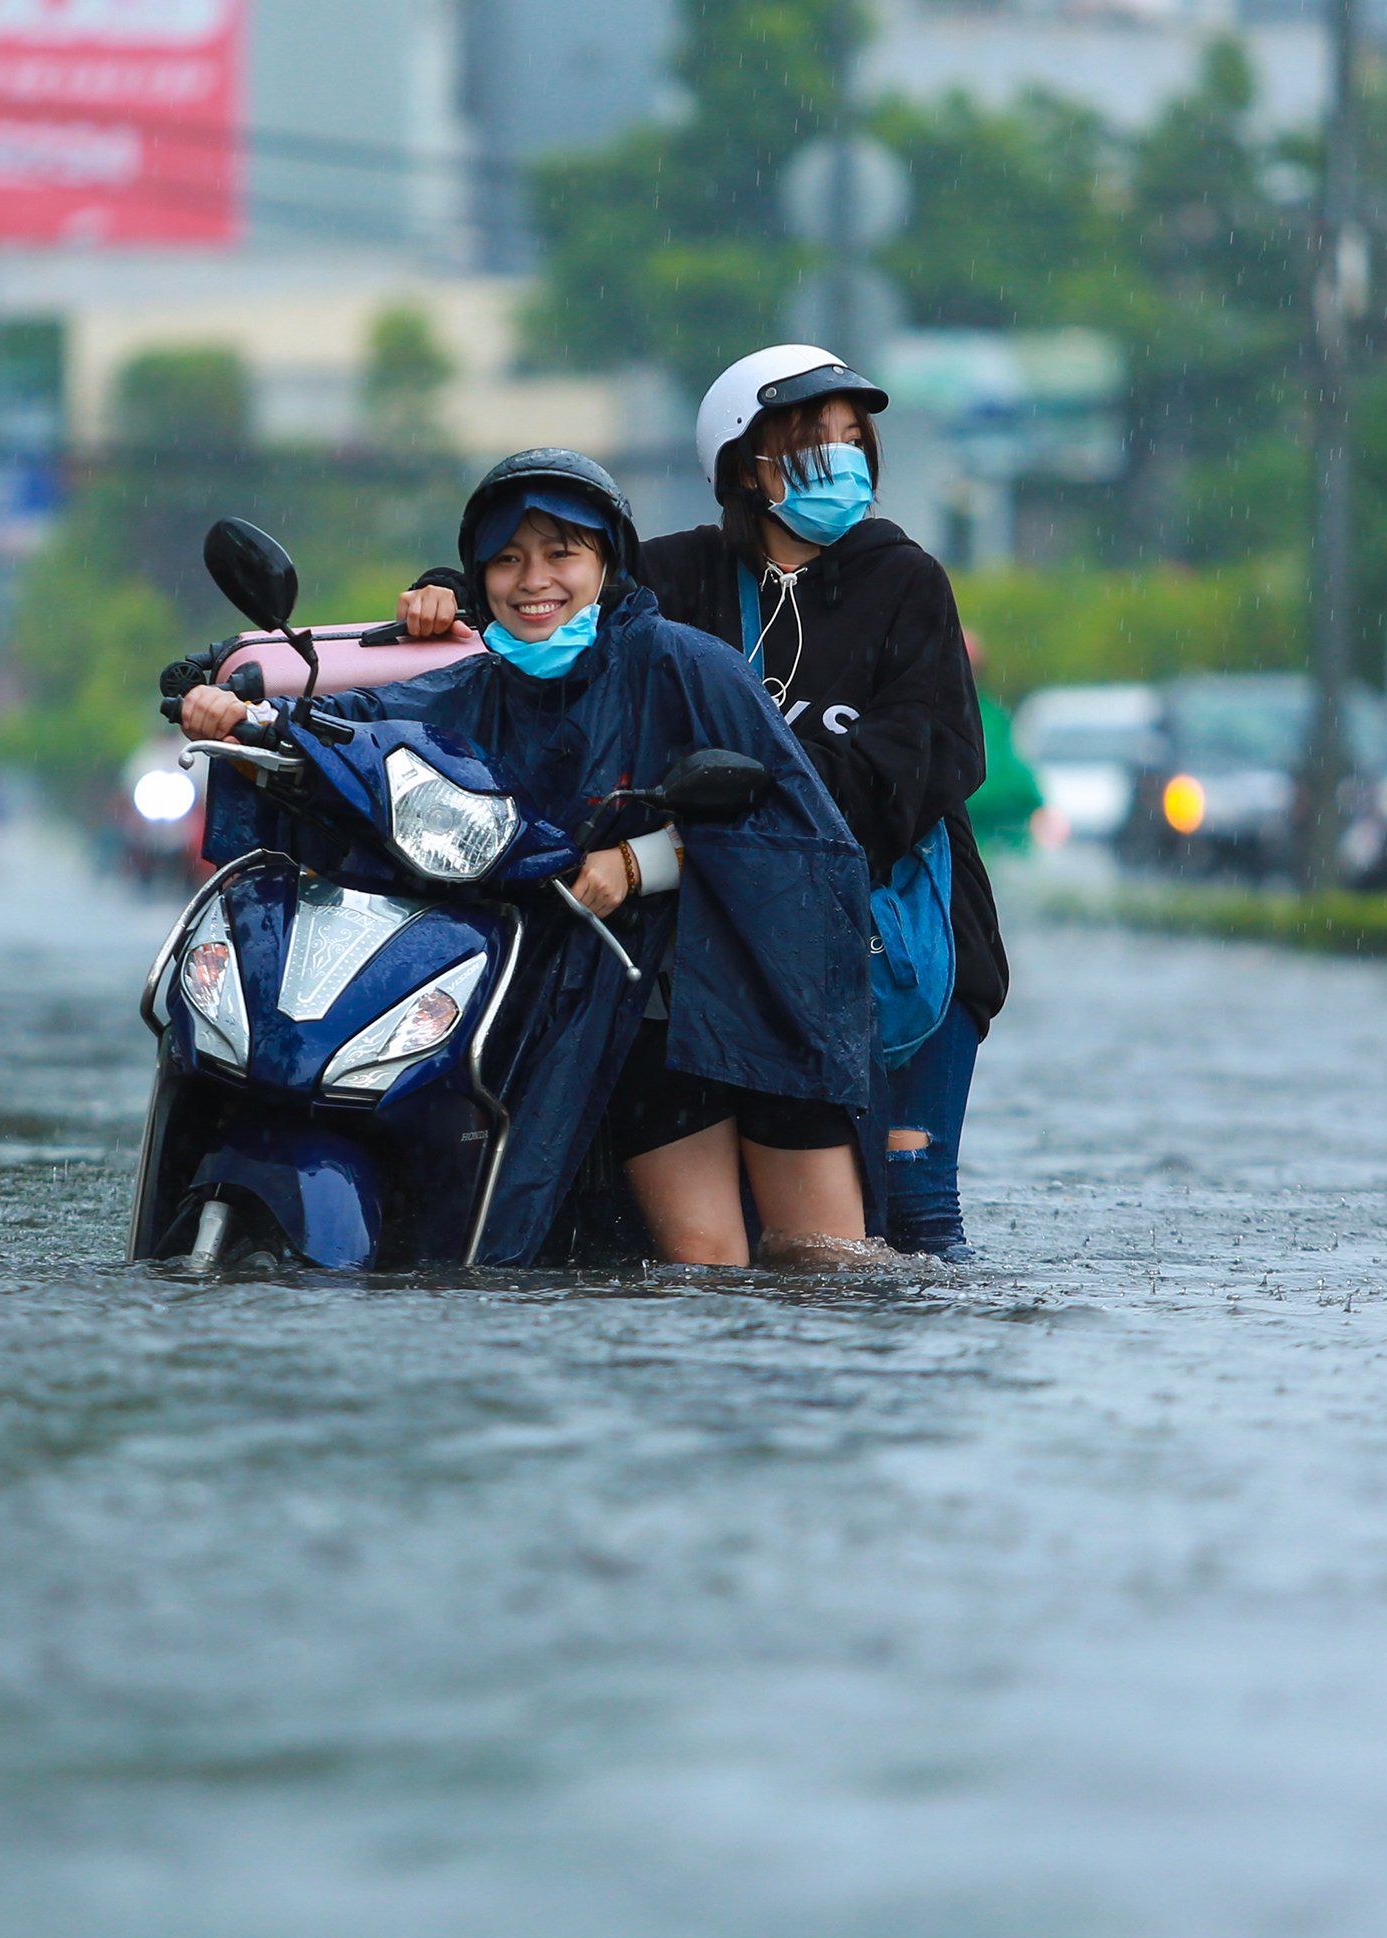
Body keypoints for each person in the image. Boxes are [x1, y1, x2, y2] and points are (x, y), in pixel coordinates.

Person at [181, 449, 875, 1268]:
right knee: (700, 1265)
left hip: (757, 999)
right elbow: (365, 727)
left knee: (827, 1266)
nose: (532, 579)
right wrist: (247, 716)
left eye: (560, 554)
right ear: (478, 577)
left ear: (607, 560)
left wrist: (641, 862)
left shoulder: (690, 667)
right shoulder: (475, 686)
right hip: (621, 1012)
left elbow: (805, 839)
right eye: (507, 559)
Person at [399, 346, 1006, 1259]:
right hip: (703, 964)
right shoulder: (674, 582)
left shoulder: (907, 583)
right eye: (811, 442)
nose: (840, 460)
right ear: (741, 466)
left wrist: (700, 824)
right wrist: (445, 594)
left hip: (895, 950)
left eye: (853, 438)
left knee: (917, 1220)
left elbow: (906, 781)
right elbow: (554, 592)